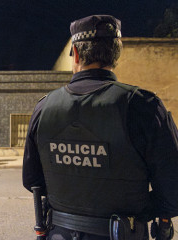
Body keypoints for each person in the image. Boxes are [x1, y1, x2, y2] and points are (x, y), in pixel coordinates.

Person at [22, 15, 178, 240]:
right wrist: (137, 210)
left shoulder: (44, 108)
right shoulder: (144, 107)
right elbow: (172, 193)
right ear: (116, 54)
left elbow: (32, 181)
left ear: (75, 54)